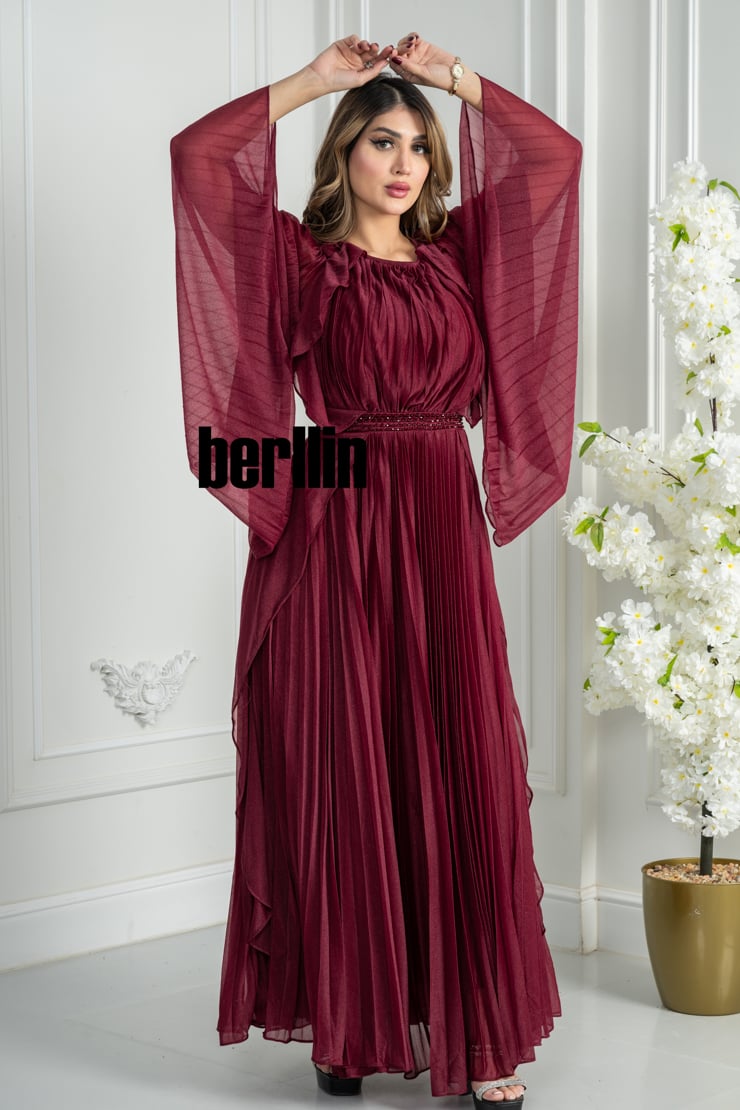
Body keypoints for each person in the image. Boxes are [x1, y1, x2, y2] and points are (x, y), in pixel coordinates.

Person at [170, 30, 581, 1106]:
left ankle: (479, 1039)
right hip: (336, 525)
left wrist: (455, 82)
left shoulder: (457, 253)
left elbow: (553, 159)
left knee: (455, 759)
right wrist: (314, 82)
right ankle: (349, 1026)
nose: (404, 164)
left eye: (420, 146)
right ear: (344, 150)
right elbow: (198, 159)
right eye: (382, 142)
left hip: (440, 521)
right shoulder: (299, 260)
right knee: (347, 766)